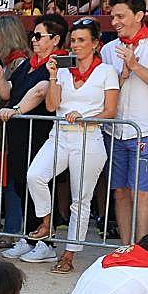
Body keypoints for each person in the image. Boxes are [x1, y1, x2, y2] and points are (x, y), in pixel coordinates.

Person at [20, 17, 118, 271]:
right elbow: (52, 106)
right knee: (35, 175)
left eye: (81, 40)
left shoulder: (107, 71)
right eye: (73, 40)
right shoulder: (62, 70)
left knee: (80, 200)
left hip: (89, 138)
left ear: (96, 43)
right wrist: (52, 78)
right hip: (60, 134)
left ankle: (70, 254)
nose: (75, 45)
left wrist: (86, 118)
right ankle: (46, 222)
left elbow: (110, 110)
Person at [100, 0, 148, 248]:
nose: (115, 22)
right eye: (113, 17)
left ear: (139, 15)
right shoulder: (108, 49)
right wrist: (122, 76)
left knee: (140, 193)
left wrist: (134, 65)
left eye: (120, 16)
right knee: (120, 192)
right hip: (115, 130)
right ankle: (125, 246)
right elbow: (105, 90)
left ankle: (144, 250)